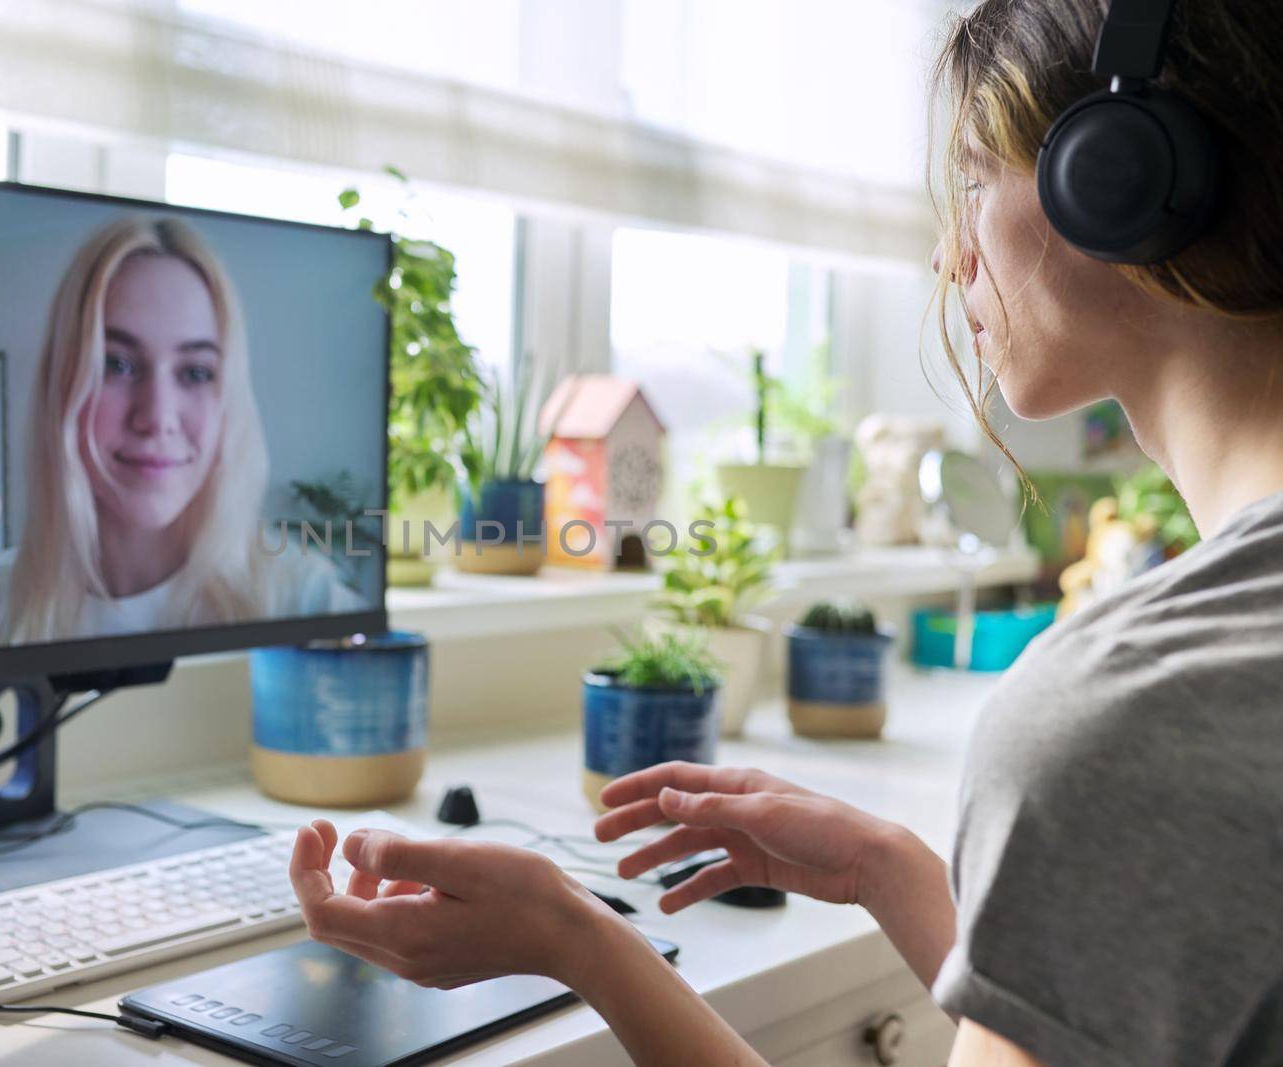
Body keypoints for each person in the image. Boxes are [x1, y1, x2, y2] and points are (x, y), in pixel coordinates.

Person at [288, 2, 1283, 1064]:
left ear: (1114, 179)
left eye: (976, 181)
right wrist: (884, 868)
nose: (951, 257)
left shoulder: (1134, 713)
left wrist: (572, 937)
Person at [0, 215, 364, 657]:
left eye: (194, 373)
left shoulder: (306, 601)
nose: (156, 415)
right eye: (116, 364)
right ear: (61, 386)